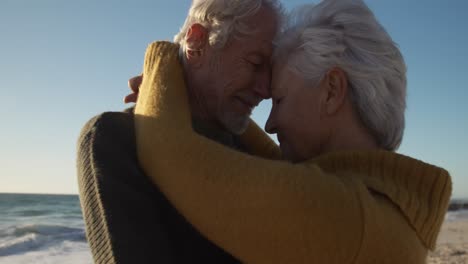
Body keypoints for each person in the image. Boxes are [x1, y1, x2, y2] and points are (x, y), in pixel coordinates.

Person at [133, 0, 452, 263]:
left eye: (280, 99)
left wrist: (163, 62)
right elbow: (277, 168)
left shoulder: (343, 216)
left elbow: (170, 153)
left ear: (331, 90)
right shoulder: (377, 205)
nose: (270, 124)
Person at [77, 0, 282, 263]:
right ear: (196, 41)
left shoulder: (255, 152)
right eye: (255, 63)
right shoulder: (117, 140)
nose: (265, 90)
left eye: (271, 71)